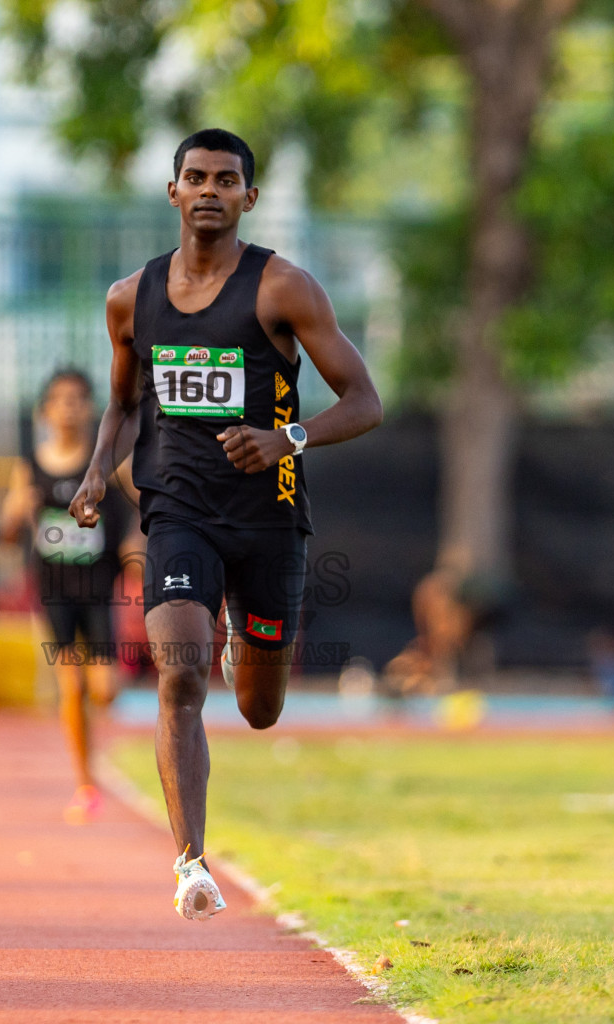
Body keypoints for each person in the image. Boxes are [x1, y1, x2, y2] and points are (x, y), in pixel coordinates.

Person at [68, 128, 382, 919]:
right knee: (179, 668)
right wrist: (96, 474)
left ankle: (252, 637)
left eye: (226, 179)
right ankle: (190, 862)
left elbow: (365, 401)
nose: (210, 190)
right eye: (195, 177)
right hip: (177, 513)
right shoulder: (127, 299)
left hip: (270, 519)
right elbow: (126, 403)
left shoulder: (283, 288)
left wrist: (287, 437)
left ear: (249, 196)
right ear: (173, 193)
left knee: (259, 709)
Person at [0, 369, 136, 823]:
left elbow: (143, 508)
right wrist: (16, 515)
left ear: (92, 408)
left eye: (79, 399)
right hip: (54, 592)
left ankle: (99, 757)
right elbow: (4, 533)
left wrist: (135, 546)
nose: (70, 407)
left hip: (97, 590)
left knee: (104, 692)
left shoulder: (108, 463)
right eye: (60, 399)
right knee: (70, 687)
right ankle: (85, 781)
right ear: (45, 411)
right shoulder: (30, 465)